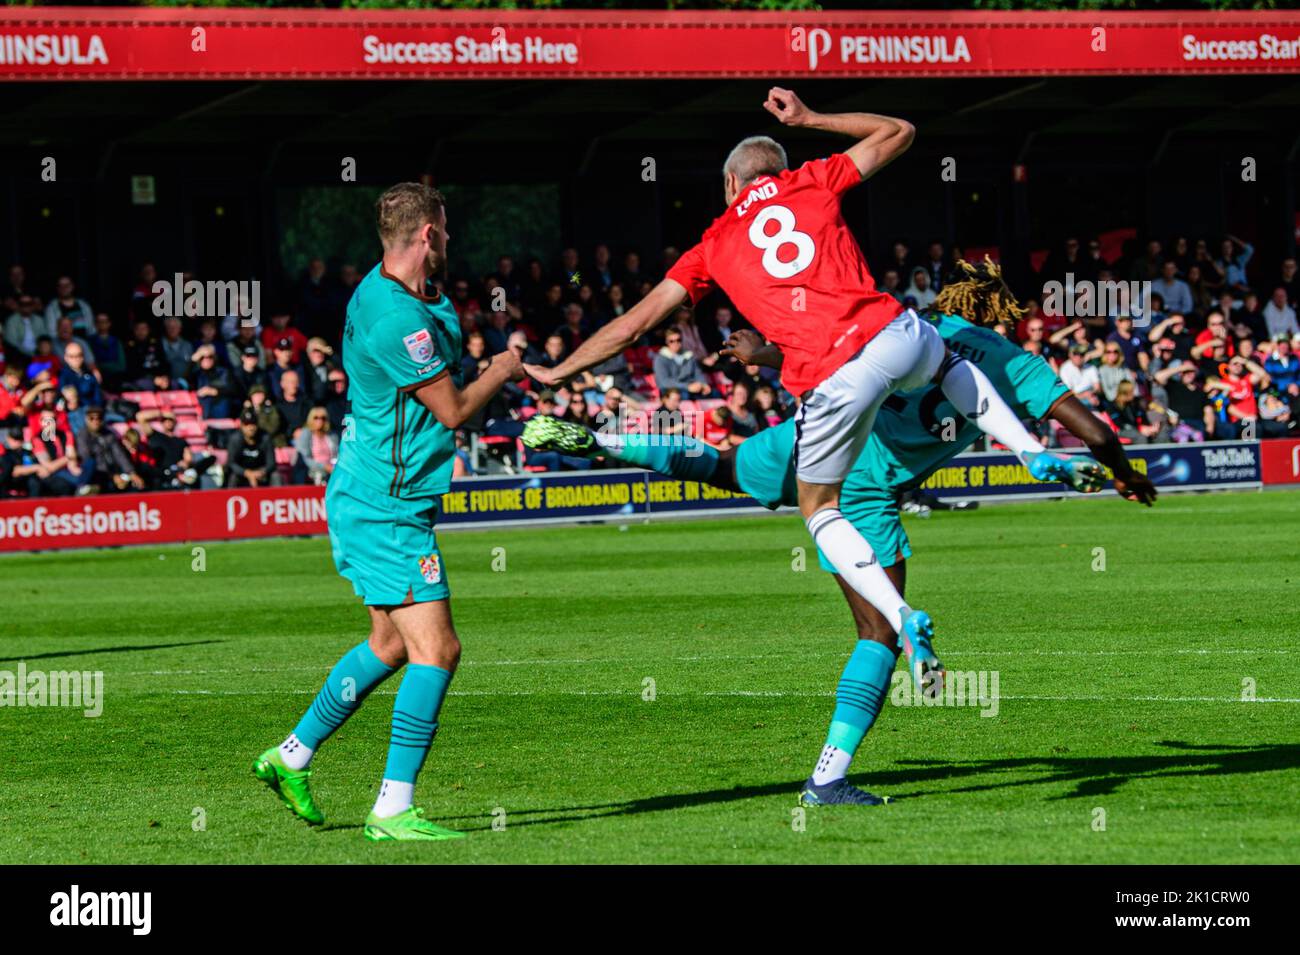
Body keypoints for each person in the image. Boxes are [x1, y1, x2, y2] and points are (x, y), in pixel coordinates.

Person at [526, 93, 1087, 744]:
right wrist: (810, 120)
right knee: (948, 366)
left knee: (810, 505)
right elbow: (900, 129)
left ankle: (900, 616)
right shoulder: (811, 178)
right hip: (895, 333)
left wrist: (560, 372)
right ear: (777, 169)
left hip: (829, 393)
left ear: (731, 184)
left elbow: (634, 325)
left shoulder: (712, 245)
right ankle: (1026, 450)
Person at [522, 259, 1140, 806]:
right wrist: (1124, 473)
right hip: (863, 488)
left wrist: (764, 355)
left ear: (952, 301)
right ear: (1004, 314)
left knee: (725, 466)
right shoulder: (1017, 365)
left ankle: (601, 441)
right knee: (877, 635)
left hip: (819, 433)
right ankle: (826, 779)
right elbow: (1098, 433)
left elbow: (833, 350)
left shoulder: (911, 323)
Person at [253, 182, 523, 843]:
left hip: (379, 493)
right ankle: (392, 808)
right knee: (439, 649)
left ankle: (290, 756)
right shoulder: (392, 317)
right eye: (447, 227)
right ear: (427, 234)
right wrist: (508, 366)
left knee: (390, 643)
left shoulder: (398, 292)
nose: (452, 237)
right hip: (387, 505)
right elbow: (455, 410)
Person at [224, 407, 278, 488]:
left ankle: (278, 498)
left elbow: (271, 463)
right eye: (247, 424)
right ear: (242, 426)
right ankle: (230, 499)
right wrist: (248, 474)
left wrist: (261, 472)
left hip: (261, 472)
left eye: (253, 424)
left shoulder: (265, 438)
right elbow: (231, 463)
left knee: (276, 476)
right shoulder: (235, 439)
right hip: (242, 474)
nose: (251, 428)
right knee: (233, 477)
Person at [293, 406, 339, 485]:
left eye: (323, 418)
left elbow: (337, 455)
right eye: (316, 418)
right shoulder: (306, 433)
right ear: (311, 419)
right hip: (312, 471)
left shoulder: (332, 435)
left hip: (331, 470)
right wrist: (324, 467)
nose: (320, 420)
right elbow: (305, 458)